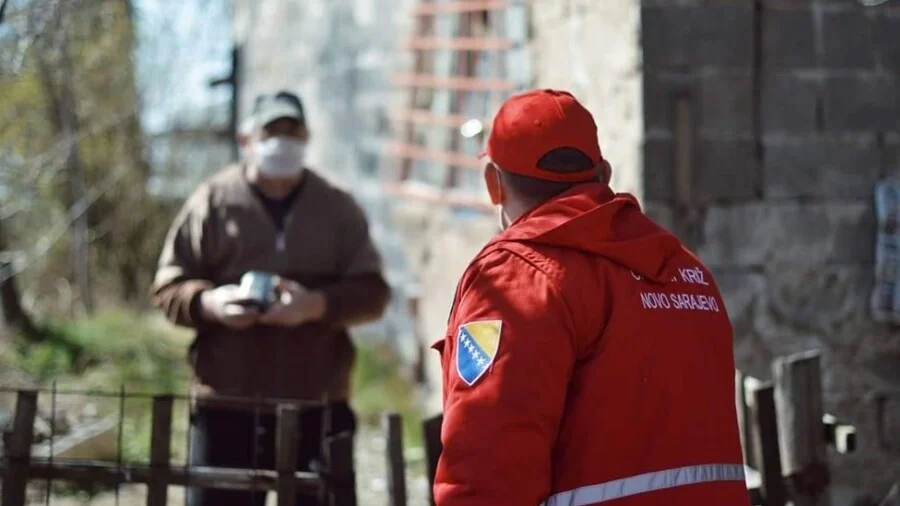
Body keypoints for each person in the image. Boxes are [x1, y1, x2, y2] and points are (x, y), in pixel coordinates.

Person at [432, 89, 750, 506]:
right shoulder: (688, 272)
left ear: (494, 184)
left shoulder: (517, 280)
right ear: (604, 174)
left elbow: (487, 474)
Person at [151, 90, 390, 506]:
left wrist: (313, 305)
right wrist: (212, 304)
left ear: (307, 138)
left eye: (292, 132)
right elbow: (168, 288)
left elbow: (373, 293)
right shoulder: (212, 202)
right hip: (227, 404)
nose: (282, 142)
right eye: (271, 131)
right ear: (247, 140)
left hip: (318, 404)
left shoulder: (336, 207)